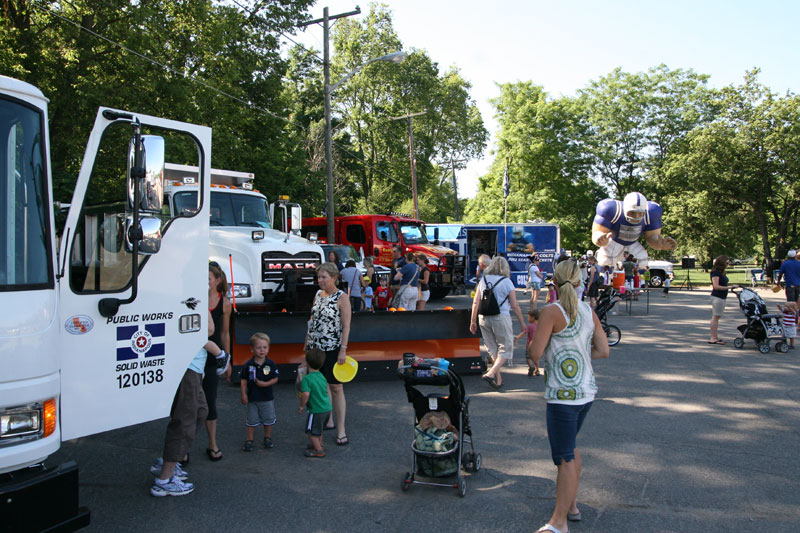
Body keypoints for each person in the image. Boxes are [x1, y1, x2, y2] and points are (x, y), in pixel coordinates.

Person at [527, 259, 610, 533]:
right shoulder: (588, 310)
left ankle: (558, 522)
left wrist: (538, 349)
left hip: (562, 395)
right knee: (571, 450)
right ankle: (571, 506)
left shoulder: (551, 311)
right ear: (579, 282)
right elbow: (603, 350)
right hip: (586, 391)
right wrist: (579, 355)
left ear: (554, 281)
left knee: (564, 458)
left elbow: (535, 353)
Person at [149, 312, 219, 497]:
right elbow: (209, 329)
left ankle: (170, 460)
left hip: (195, 366)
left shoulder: (193, 299)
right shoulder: (190, 298)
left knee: (200, 412)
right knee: (185, 421)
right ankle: (165, 478)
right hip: (186, 367)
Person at [304, 262, 352, 446]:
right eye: (319, 277)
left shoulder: (342, 297)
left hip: (332, 348)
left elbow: (346, 325)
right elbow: (312, 320)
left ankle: (341, 430)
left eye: (324, 277)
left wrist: (343, 349)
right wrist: (306, 343)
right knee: (319, 386)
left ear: (334, 278)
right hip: (315, 348)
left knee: (336, 387)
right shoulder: (318, 294)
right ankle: (328, 419)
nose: (320, 280)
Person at [470, 256, 526, 390]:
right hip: (501, 317)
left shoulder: (483, 280)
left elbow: (476, 302)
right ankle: (490, 373)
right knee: (506, 347)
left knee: (493, 349)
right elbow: (515, 305)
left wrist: (473, 321)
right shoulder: (507, 281)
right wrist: (522, 323)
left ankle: (498, 379)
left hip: (483, 317)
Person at [592, 191, 677, 270]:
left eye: (640, 213)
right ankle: (606, 282)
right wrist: (599, 239)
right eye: (632, 213)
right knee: (606, 261)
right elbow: (597, 233)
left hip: (633, 243)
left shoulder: (651, 213)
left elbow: (651, 238)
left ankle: (638, 282)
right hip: (615, 241)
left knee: (643, 261)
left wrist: (660, 244)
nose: (636, 217)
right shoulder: (611, 210)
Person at [205, 263, 231, 461]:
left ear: (217, 281)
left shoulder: (224, 303)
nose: (204, 282)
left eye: (208, 279)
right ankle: (182, 447)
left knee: (210, 399)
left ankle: (212, 443)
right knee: (186, 402)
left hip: (213, 356)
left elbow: (225, 332)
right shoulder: (193, 298)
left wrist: (227, 359)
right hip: (192, 355)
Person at [240, 333, 279, 452]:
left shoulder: (270, 364)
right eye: (258, 347)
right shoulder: (248, 364)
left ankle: (267, 437)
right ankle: (249, 439)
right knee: (251, 420)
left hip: (267, 397)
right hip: (253, 397)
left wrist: (265, 384)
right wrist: (243, 394)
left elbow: (275, 378)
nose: (262, 350)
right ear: (252, 349)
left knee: (268, 419)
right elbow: (243, 380)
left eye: (265, 347)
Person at [298, 347, 333, 457]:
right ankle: (320, 444)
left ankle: (318, 450)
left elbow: (306, 394)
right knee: (319, 429)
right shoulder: (322, 376)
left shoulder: (307, 379)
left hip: (316, 410)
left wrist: (301, 406)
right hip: (327, 409)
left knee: (311, 431)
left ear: (307, 362)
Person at [709, 255, 730, 345]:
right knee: (715, 317)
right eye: (727, 263)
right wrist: (729, 287)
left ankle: (716, 337)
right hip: (717, 297)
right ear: (722, 263)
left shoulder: (721, 273)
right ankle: (713, 338)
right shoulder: (715, 273)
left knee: (717, 317)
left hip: (722, 297)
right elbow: (716, 286)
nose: (728, 264)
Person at [515, 308, 541, 377]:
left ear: (533, 317)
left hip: (530, 345)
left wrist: (517, 338)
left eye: (529, 317)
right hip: (538, 345)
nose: (527, 319)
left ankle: (531, 366)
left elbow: (524, 332)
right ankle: (537, 369)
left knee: (528, 358)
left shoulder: (530, 326)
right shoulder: (540, 326)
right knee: (536, 358)